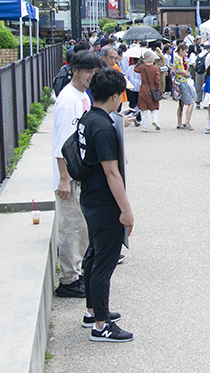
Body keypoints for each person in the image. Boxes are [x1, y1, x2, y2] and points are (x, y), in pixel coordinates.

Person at [79, 68, 134, 342]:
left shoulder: (88, 119)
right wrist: (126, 211)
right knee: (104, 263)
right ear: (114, 96)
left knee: (93, 257)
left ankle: (93, 311)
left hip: (90, 198)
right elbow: (112, 172)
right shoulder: (103, 128)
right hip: (105, 203)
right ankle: (100, 325)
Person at [52, 51, 103, 298]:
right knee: (70, 226)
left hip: (78, 174)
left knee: (80, 225)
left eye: (94, 72)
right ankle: (69, 280)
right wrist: (64, 178)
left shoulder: (81, 95)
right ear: (75, 70)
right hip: (69, 176)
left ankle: (75, 272)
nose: (91, 77)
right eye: (87, 72)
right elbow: (62, 143)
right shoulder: (68, 99)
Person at [173, 41, 196, 129]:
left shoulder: (178, 58)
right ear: (181, 50)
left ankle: (179, 122)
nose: (186, 53)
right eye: (185, 51)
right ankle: (187, 121)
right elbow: (173, 70)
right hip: (181, 82)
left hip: (180, 81)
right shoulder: (177, 59)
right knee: (190, 102)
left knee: (181, 103)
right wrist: (183, 73)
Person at [138, 50, 161, 132]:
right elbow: (157, 81)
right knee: (154, 106)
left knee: (143, 108)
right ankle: (155, 120)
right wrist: (158, 89)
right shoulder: (155, 68)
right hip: (153, 88)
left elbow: (135, 69)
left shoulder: (142, 67)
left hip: (143, 88)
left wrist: (139, 62)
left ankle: (144, 127)